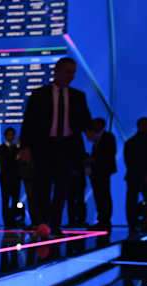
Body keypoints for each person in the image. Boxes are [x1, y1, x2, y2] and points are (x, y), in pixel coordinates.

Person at [20, 57, 92, 236]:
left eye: (73, 72)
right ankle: (43, 222)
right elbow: (29, 123)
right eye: (67, 72)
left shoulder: (78, 96)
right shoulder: (39, 95)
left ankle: (55, 223)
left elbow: (85, 120)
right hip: (44, 147)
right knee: (42, 186)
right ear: (57, 71)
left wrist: (91, 132)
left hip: (67, 148)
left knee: (62, 188)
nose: (71, 76)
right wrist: (25, 147)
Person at [124, 117, 147, 233]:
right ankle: (146, 224)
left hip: (133, 175)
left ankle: (133, 224)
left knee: (132, 201)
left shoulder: (130, 142)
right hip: (144, 175)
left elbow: (129, 161)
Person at [85, 117, 117, 228]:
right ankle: (102, 219)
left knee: (103, 195)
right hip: (97, 171)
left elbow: (109, 153)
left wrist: (94, 160)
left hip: (103, 171)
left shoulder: (108, 137)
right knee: (99, 195)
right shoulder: (98, 138)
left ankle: (105, 219)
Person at [0, 127, 21, 227]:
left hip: (16, 178)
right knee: (5, 201)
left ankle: (13, 220)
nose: (11, 137)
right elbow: (4, 163)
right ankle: (6, 221)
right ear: (5, 136)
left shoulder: (17, 148)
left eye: (12, 135)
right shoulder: (1, 148)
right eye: (9, 135)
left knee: (15, 200)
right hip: (5, 179)